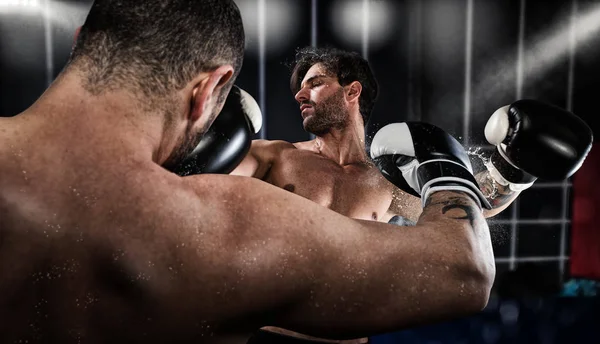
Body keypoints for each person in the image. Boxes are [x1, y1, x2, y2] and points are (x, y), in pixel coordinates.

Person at [0, 1, 504, 343]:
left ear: (80, 42)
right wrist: (445, 169)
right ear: (208, 92)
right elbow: (463, 270)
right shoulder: (227, 225)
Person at [229, 47, 593, 343]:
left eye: (315, 83)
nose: (299, 94)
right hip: (271, 336)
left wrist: (513, 170)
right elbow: (204, 178)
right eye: (301, 87)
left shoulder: (385, 182)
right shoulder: (274, 156)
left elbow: (467, 208)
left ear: (351, 92)